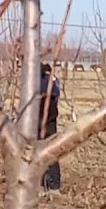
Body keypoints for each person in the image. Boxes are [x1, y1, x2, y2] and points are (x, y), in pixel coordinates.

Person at [38, 62, 62, 193]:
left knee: (40, 154)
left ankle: (46, 185)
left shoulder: (43, 82)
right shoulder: (55, 82)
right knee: (52, 154)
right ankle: (53, 185)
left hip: (42, 122)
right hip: (51, 121)